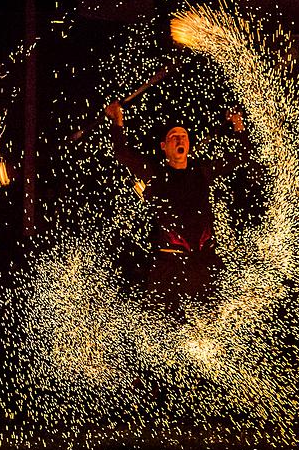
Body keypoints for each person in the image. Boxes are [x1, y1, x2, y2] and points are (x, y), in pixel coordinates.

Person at [104, 100, 248, 310]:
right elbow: (123, 154)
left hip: (204, 262)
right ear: (164, 146)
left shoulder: (202, 172)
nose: (180, 139)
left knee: (216, 319)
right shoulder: (154, 173)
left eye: (184, 136)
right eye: (174, 137)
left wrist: (237, 122)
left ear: (188, 145)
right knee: (160, 321)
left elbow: (240, 156)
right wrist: (117, 119)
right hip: (169, 266)